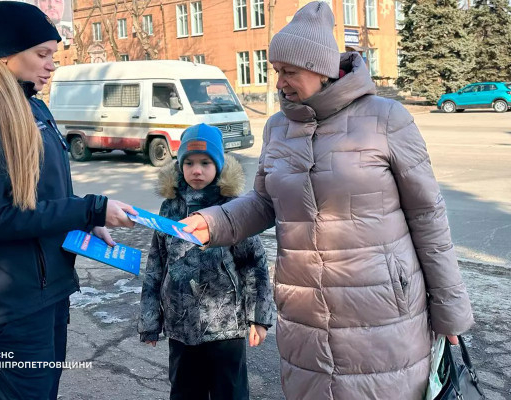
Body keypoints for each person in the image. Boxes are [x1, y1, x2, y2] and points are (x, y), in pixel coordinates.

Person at [181, 2, 474, 399]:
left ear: (321, 69)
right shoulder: (278, 128)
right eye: (276, 71)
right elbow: (264, 202)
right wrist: (215, 221)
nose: (279, 83)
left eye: (290, 72)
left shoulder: (386, 119)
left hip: (381, 314)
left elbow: (428, 218)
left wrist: (450, 310)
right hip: (306, 315)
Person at [0, 2, 135, 398]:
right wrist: (90, 207)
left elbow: (45, 196)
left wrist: (83, 222)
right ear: (6, 54)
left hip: (50, 291)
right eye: (41, 54)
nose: (51, 65)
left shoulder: (33, 108)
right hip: (16, 306)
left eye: (52, 55)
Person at [138, 124, 274, 400]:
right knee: (185, 392)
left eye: (205, 162)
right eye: (188, 162)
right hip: (181, 329)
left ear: (219, 165)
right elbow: (156, 265)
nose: (196, 170)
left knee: (230, 393)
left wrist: (258, 318)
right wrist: (151, 320)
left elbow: (254, 264)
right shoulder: (170, 208)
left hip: (225, 328)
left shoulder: (232, 208)